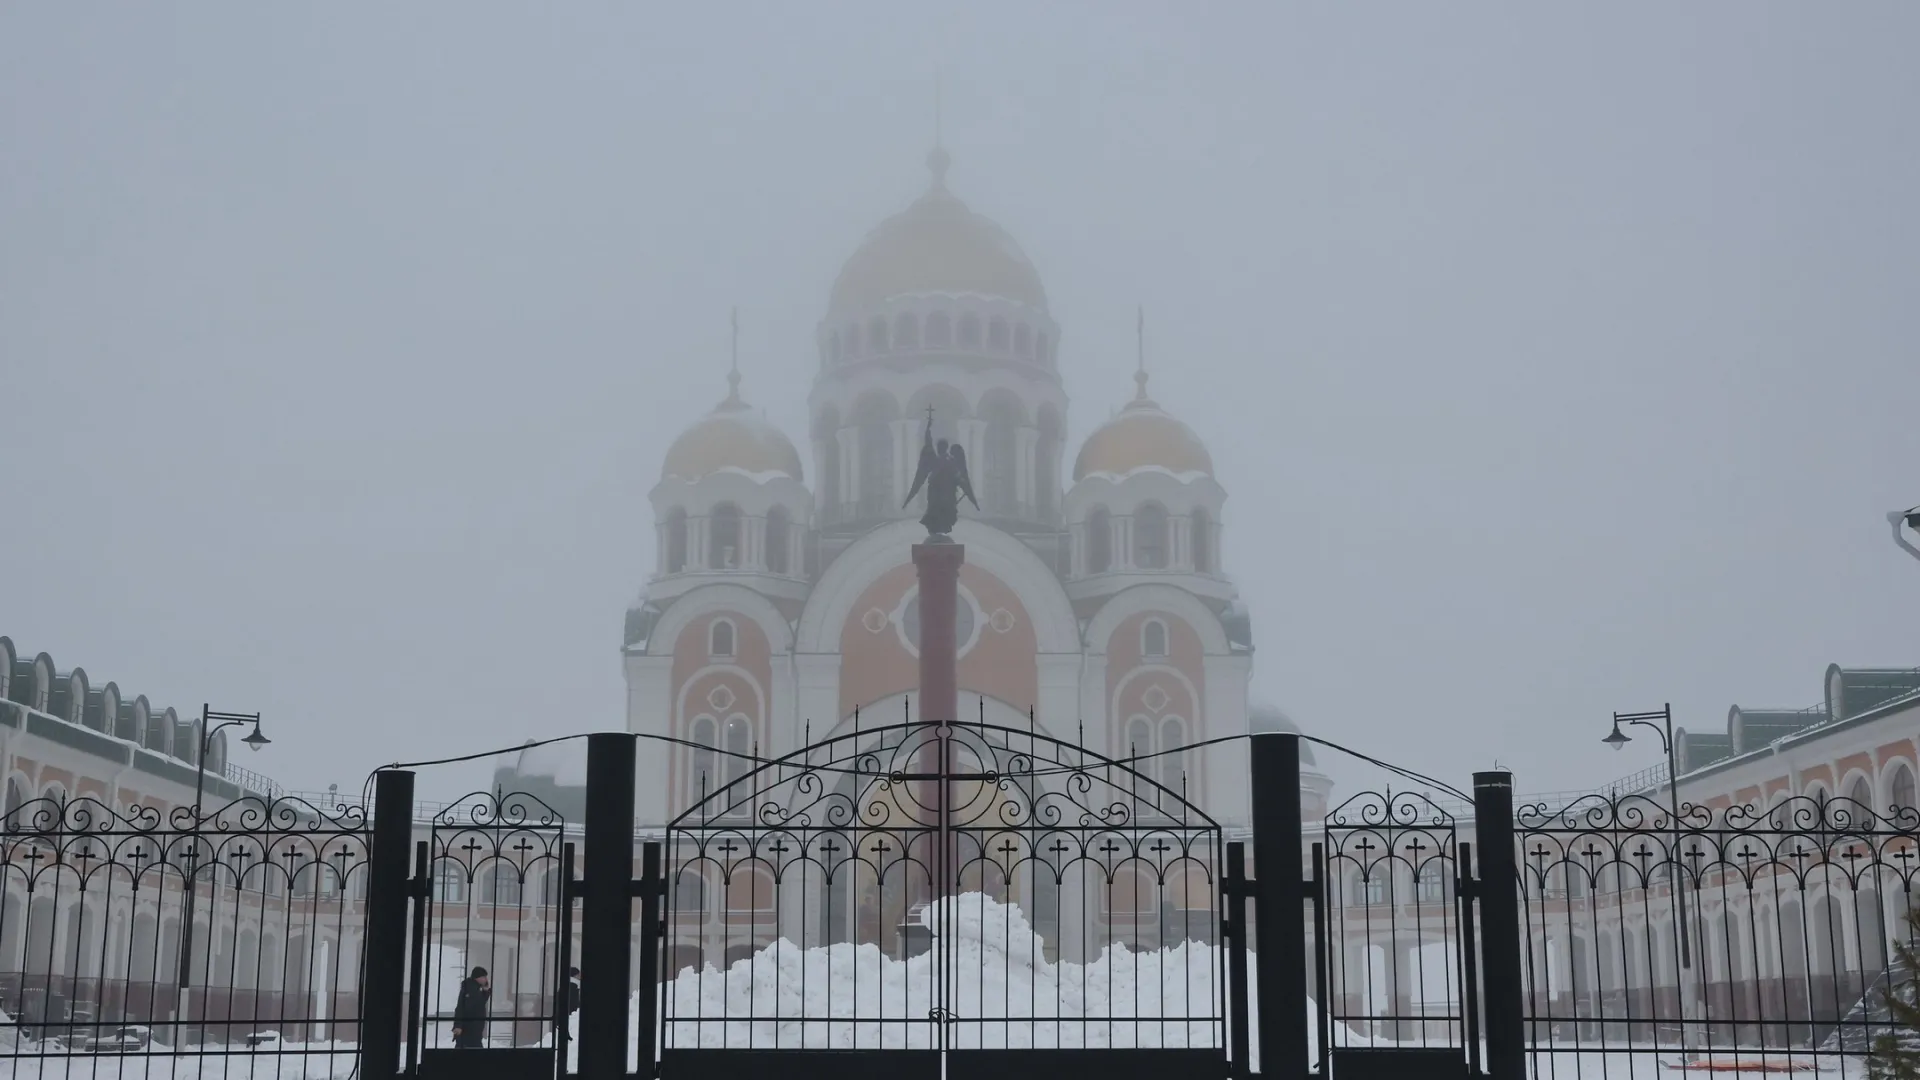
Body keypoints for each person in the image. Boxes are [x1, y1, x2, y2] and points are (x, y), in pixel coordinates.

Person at [451, 966, 490, 1049]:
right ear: (477, 978)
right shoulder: (470, 988)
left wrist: (485, 992)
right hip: (469, 1029)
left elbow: (479, 1004)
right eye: (483, 977)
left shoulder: (475, 988)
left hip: (473, 1029)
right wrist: (458, 1025)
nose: (486, 980)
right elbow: (461, 1007)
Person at [557, 966, 580, 1039]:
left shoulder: (567, 985)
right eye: (578, 974)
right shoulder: (573, 986)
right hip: (569, 1016)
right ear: (574, 975)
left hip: (563, 1016)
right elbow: (574, 1003)